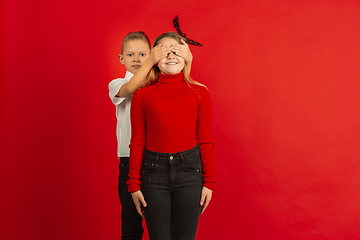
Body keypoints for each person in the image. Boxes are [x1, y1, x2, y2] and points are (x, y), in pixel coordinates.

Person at [127, 32, 216, 240]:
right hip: (153, 173)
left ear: (186, 57)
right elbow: (138, 140)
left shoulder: (199, 93)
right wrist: (133, 184)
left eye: (176, 50)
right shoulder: (142, 95)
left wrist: (209, 182)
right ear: (154, 60)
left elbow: (205, 139)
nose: (170, 55)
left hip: (189, 172)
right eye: (164, 51)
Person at [108, 31, 193, 240]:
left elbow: (184, 87)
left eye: (143, 55)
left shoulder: (157, 83)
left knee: (166, 222)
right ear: (121, 59)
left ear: (152, 54)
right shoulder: (116, 84)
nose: (137, 59)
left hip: (157, 160)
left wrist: (187, 59)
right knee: (131, 220)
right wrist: (151, 61)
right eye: (130, 55)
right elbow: (131, 88)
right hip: (130, 160)